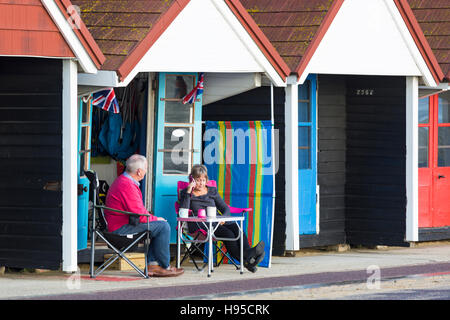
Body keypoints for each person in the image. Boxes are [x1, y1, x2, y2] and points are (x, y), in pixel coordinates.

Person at [105, 154, 184, 277]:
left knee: (158, 226)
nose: (147, 171)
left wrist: (153, 219)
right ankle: (163, 266)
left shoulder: (123, 181)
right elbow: (141, 216)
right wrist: (157, 219)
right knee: (163, 226)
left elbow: (139, 211)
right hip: (121, 230)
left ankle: (153, 265)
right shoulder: (127, 185)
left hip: (122, 225)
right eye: (146, 168)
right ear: (139, 171)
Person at [179, 164, 265, 273]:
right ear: (192, 179)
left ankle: (248, 255)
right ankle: (249, 258)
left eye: (203, 180)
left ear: (206, 180)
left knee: (236, 228)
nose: (201, 183)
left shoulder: (212, 191)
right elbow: (183, 214)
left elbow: (225, 208)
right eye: (198, 180)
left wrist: (223, 218)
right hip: (200, 224)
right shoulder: (186, 193)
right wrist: (188, 191)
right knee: (228, 234)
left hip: (216, 221)